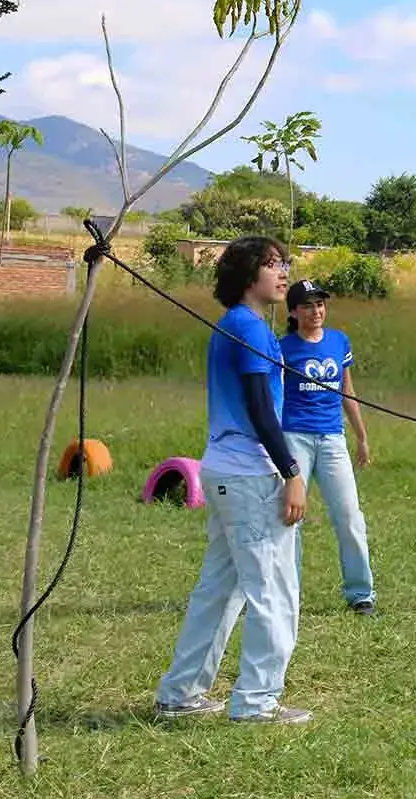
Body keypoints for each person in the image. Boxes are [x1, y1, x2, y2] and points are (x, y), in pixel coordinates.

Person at [154, 236, 312, 725]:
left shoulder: (235, 325)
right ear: (247, 274)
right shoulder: (250, 329)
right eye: (271, 264)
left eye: (284, 263)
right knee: (273, 590)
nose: (282, 272)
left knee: (220, 590)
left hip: (222, 469)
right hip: (250, 475)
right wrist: (292, 472)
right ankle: (258, 702)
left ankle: (180, 694)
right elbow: (261, 410)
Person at [279, 278, 376, 615]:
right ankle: (287, 594)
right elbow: (274, 398)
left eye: (320, 304)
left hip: (332, 438)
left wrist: (361, 436)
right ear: (293, 311)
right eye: (307, 305)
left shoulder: (338, 341)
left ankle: (361, 593)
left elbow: (347, 391)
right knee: (292, 518)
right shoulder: (283, 347)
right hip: (294, 438)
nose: (316, 311)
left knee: (349, 516)